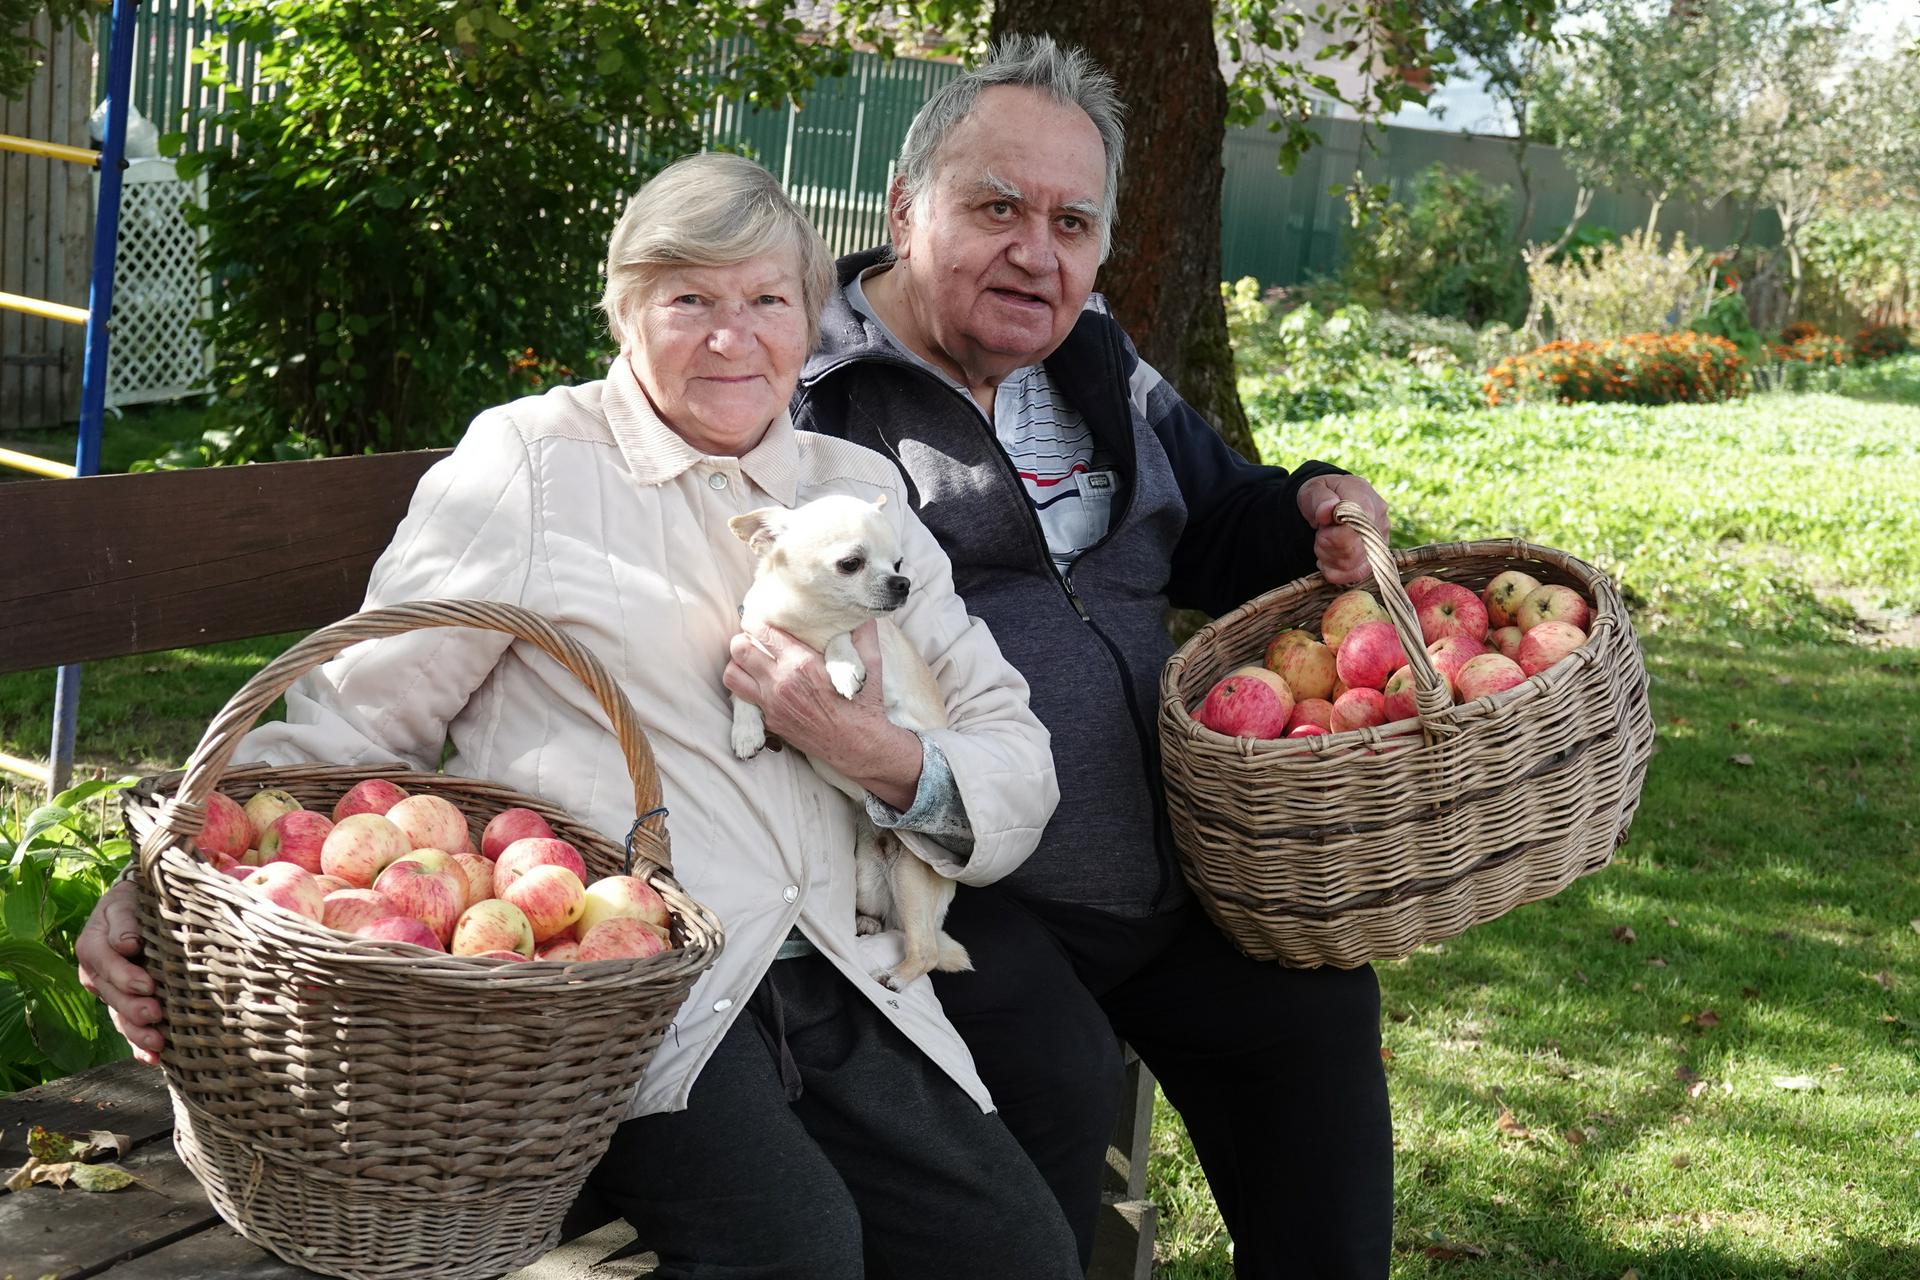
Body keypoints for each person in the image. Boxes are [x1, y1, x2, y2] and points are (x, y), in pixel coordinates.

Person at [75, 152, 1082, 1280]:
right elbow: (355, 721)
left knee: (1018, 1251)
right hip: (616, 998)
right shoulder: (537, 463)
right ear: (621, 308)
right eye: (687, 298)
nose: (729, 336)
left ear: (812, 316)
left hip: (843, 966)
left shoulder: (858, 490)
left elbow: (1015, 750)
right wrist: (164, 875)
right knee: (797, 1251)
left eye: (766, 299)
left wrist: (874, 750)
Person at [784, 37, 1397, 1278]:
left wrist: (1310, 507)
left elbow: (1218, 520)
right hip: (960, 882)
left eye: (1072, 222)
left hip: (1178, 869)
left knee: (1318, 1005)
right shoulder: (812, 397)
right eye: (997, 207)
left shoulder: (1101, 361)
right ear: (906, 209)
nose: (1038, 251)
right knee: (1051, 1071)